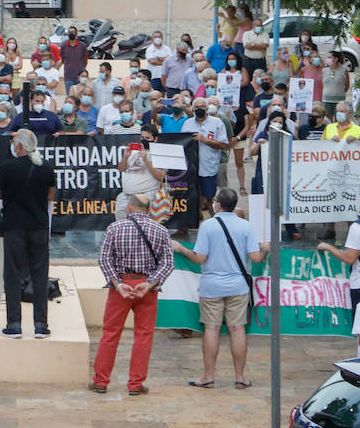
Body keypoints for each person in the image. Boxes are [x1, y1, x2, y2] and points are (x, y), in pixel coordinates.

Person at [171, 188, 270, 388]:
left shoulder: (208, 226)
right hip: (238, 286)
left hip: (212, 286)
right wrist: (265, 250)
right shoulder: (245, 226)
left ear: (217, 205)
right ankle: (240, 377)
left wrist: (182, 249)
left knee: (211, 328)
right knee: (237, 329)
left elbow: (199, 258)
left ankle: (208, 376)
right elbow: (256, 258)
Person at [92, 194, 175, 396]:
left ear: (129, 208)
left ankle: (101, 381)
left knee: (110, 334)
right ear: (149, 210)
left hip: (120, 286)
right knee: (143, 336)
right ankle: (135, 384)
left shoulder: (114, 228)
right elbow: (168, 263)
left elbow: (104, 259)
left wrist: (118, 284)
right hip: (146, 287)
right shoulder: (161, 230)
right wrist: (150, 283)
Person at [0, 130, 55, 338]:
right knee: (40, 274)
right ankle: (41, 325)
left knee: (12, 275)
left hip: (14, 226)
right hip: (39, 226)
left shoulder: (7, 167)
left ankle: (14, 324)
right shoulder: (46, 167)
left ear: (19, 146)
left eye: (13, 141)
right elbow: (50, 195)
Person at [192, 103, 230, 215]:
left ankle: (215, 219)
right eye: (197, 107)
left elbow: (223, 144)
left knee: (210, 198)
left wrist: (205, 140)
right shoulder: (187, 123)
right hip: (192, 168)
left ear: (207, 109)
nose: (199, 109)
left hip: (209, 168)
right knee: (194, 198)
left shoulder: (217, 123)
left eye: (202, 107)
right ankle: (197, 220)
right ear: (193, 109)